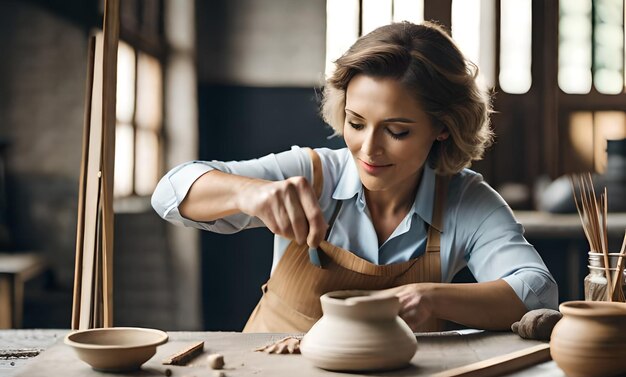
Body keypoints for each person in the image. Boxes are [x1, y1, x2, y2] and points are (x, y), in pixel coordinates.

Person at [152, 21, 558, 333]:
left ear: (443, 127)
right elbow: (168, 193)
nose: (368, 148)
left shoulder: (466, 200)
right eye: (356, 123)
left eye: (397, 131)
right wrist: (248, 194)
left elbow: (537, 290)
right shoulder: (311, 173)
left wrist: (432, 299)